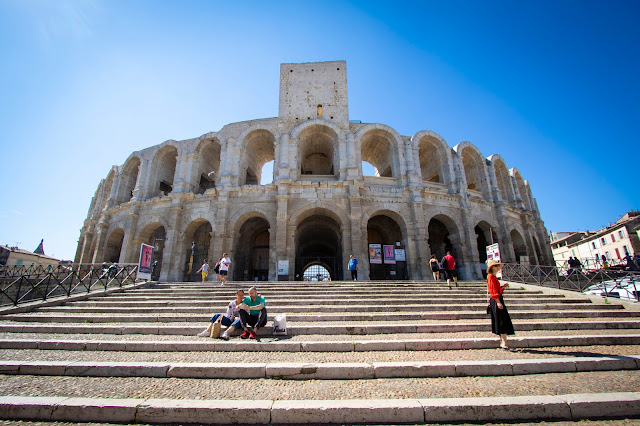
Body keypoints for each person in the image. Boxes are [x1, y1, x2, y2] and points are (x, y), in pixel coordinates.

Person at [486, 259, 515, 351]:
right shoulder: (490, 277)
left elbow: (497, 290)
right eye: (497, 266)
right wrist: (498, 302)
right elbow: (492, 291)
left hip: (498, 298)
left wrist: (503, 287)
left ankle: (503, 342)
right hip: (496, 300)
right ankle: (504, 344)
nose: (498, 268)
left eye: (499, 266)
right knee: (501, 321)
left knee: (502, 320)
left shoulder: (494, 277)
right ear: (492, 267)